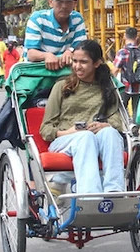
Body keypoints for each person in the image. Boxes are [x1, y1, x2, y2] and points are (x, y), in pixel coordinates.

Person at [40, 40, 124, 194]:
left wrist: (105, 125)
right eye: (75, 61)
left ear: (97, 63)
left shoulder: (107, 87)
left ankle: (114, 191)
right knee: (85, 137)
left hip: (97, 138)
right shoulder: (62, 86)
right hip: (64, 140)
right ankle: (90, 196)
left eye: (83, 62)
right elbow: (46, 128)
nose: (77, 66)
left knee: (110, 133)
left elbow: (116, 121)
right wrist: (68, 132)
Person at [24, 0, 86, 70]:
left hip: (65, 69)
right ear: (50, 2)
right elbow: (31, 54)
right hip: (38, 70)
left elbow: (81, 46)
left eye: (68, 1)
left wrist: (70, 51)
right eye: (60, 1)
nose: (64, 6)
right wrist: (46, 56)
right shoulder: (38, 19)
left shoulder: (77, 19)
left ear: (74, 3)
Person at [113, 27, 140, 121]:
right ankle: (135, 128)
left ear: (124, 36)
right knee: (137, 108)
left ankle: (127, 124)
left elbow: (115, 69)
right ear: (137, 37)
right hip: (139, 85)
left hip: (125, 85)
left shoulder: (122, 52)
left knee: (121, 107)